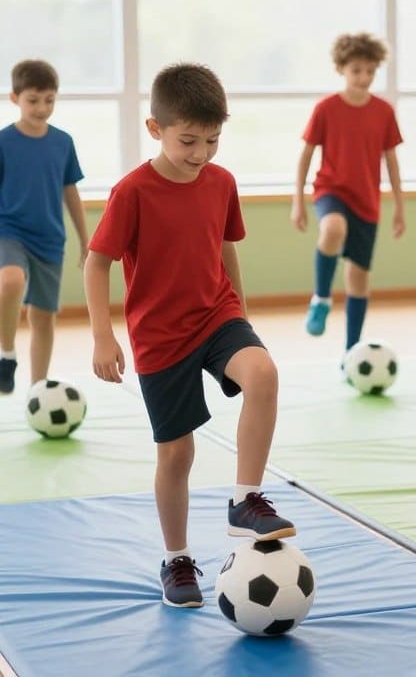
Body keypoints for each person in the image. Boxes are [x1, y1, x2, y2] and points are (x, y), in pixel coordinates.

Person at [85, 63, 295, 609]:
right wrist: (103, 337)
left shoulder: (222, 183)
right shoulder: (132, 191)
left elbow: (227, 248)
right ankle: (176, 558)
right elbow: (95, 262)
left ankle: (245, 500)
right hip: (160, 336)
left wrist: (242, 314)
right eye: (188, 141)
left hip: (216, 315)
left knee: (264, 374)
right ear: (156, 129)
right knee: (177, 453)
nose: (202, 153)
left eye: (212, 140)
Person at [291, 32, 405, 355]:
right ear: (341, 69)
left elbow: (392, 161)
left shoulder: (383, 112)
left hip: (367, 201)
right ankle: (322, 298)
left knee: (358, 279)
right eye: (357, 70)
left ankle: (351, 352)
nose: (364, 77)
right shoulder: (326, 108)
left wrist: (399, 207)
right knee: (333, 228)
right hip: (331, 190)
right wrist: (298, 201)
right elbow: (306, 155)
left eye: (370, 71)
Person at [0, 59, 88, 394]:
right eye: (33, 100)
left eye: (49, 100)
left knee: (42, 318)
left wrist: (85, 239)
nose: (42, 108)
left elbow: (70, 191)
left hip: (50, 238)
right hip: (9, 231)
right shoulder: (3, 142)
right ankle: (6, 355)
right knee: (9, 280)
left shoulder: (63, 142)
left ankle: (37, 390)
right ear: (15, 98)